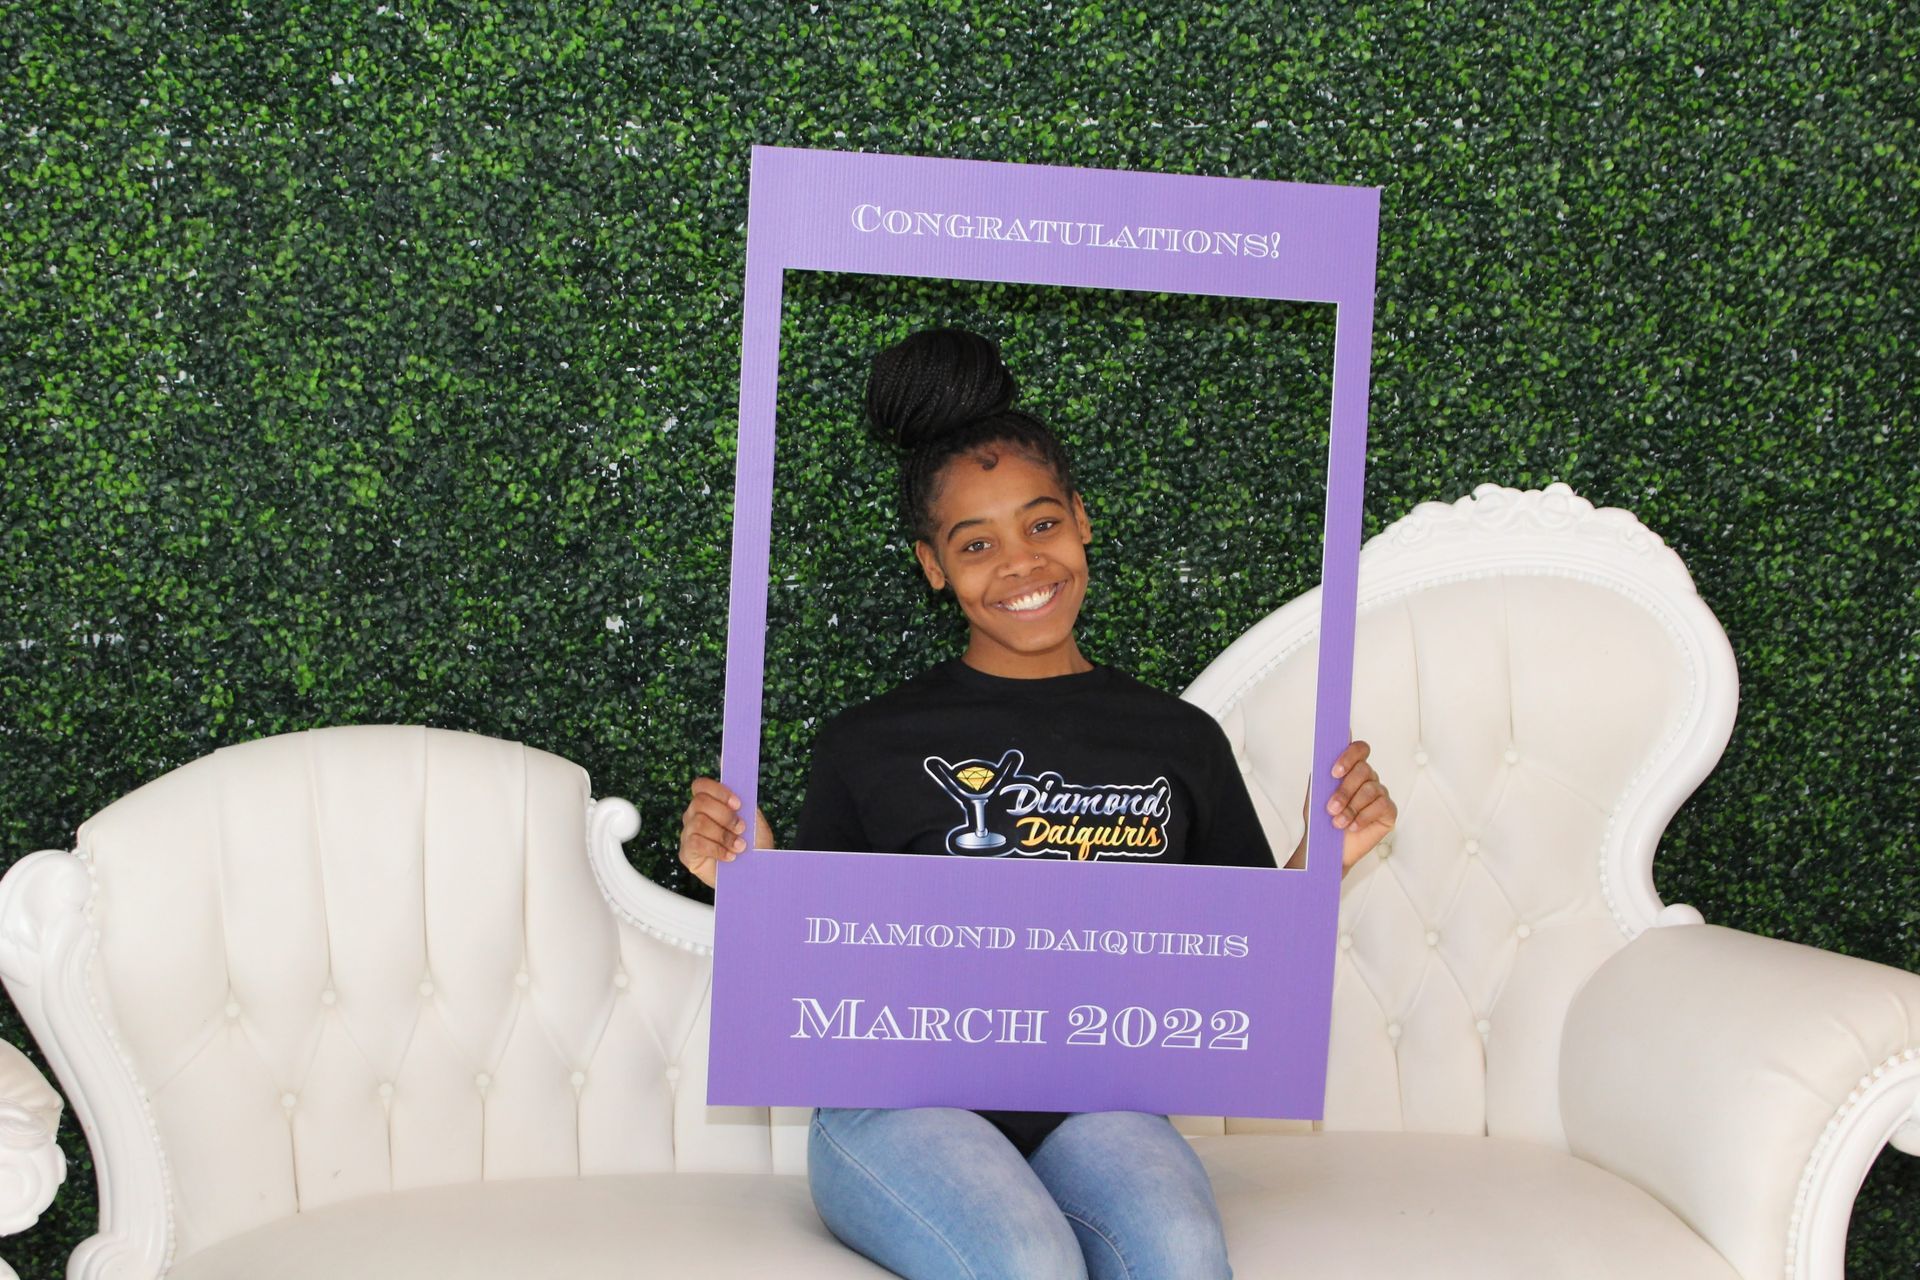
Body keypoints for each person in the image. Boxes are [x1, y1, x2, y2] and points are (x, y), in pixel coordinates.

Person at [680, 328, 1395, 1280]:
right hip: (900, 1110)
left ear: (1083, 521)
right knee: (1026, 1260)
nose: (1020, 564)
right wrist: (755, 880)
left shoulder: (1178, 740)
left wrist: (1325, 855)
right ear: (934, 566)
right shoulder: (867, 743)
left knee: (1180, 1251)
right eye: (976, 544)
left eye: (1041, 524)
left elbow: (1242, 970)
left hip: (1098, 1103)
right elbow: (814, 996)